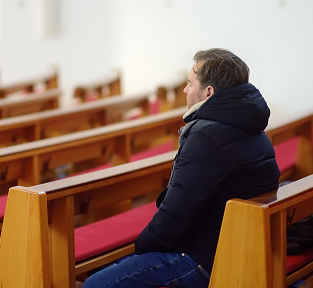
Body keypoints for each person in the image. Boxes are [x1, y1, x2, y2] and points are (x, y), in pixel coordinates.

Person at [82, 48, 280, 288]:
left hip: (205, 259)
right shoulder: (251, 126)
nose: (185, 90)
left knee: (96, 284)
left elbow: (174, 219)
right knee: (112, 268)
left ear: (209, 92)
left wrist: (141, 249)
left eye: (190, 83)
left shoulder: (207, 137)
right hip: (235, 246)